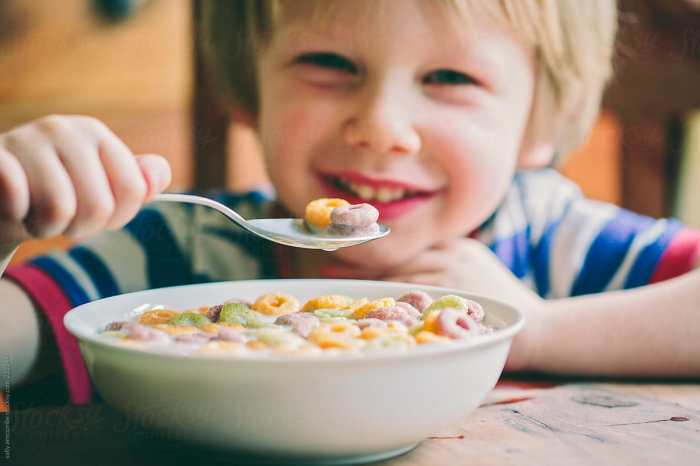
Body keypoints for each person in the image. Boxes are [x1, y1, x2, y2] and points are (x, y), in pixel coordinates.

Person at [1, 0, 699, 405]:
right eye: (330, 65)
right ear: (250, 86)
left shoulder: (552, 238)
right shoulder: (178, 249)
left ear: (538, 122)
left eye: (450, 76)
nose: (381, 127)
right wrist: (4, 224)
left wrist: (540, 327)